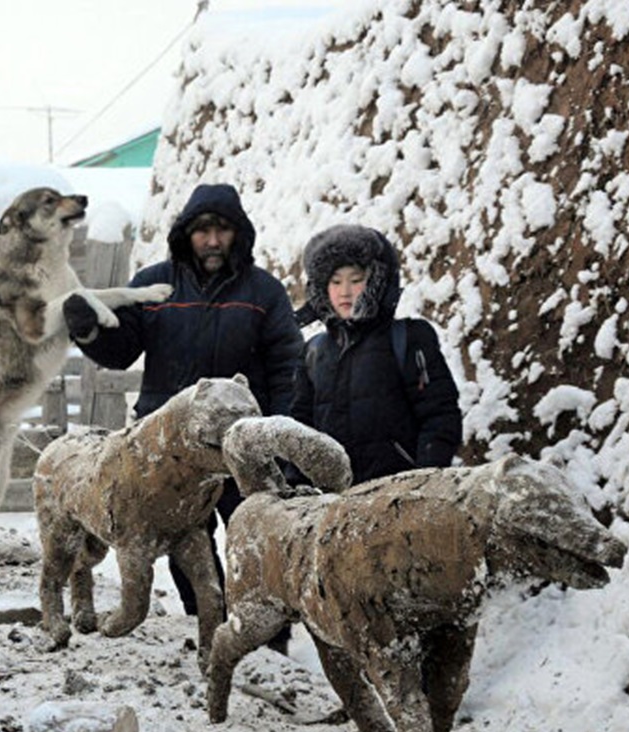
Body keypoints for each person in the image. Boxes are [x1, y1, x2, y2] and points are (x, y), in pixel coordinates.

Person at [62, 183, 303, 619]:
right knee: (185, 541)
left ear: (239, 234)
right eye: (202, 230)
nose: (212, 240)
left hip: (242, 444)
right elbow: (121, 351)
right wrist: (88, 331)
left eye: (223, 230)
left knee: (255, 537)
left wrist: (279, 440)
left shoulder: (264, 292)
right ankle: (207, 620)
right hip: (168, 449)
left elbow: (288, 368)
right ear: (185, 234)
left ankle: (266, 632)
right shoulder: (153, 285)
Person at [293, 224, 461, 484]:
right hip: (331, 503)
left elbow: (440, 415)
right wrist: (297, 488)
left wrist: (423, 481)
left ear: (377, 281)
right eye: (335, 282)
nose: (345, 291)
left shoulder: (409, 338)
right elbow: (299, 430)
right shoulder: (314, 352)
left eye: (356, 279)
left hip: (396, 496)